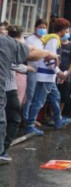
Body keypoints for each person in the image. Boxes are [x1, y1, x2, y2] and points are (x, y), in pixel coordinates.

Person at [0, 31, 59, 163]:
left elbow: (29, 50)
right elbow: (31, 53)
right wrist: (48, 54)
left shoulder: (6, 42)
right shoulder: (5, 42)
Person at [25, 18, 71, 136]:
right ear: (64, 29)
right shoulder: (53, 40)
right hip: (45, 76)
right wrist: (58, 72)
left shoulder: (52, 39)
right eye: (67, 30)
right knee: (39, 101)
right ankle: (30, 125)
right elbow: (49, 59)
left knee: (56, 96)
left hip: (48, 76)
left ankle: (58, 119)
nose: (67, 32)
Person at [2, 26, 35, 159]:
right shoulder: (11, 45)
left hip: (10, 86)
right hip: (8, 88)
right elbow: (12, 63)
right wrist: (27, 68)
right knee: (14, 119)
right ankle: (2, 150)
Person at [23, 19, 48, 125]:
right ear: (35, 27)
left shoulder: (45, 40)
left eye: (44, 28)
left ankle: (32, 118)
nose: (42, 30)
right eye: (40, 27)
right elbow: (29, 56)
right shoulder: (30, 40)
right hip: (32, 70)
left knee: (37, 96)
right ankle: (25, 119)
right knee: (29, 95)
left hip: (42, 71)